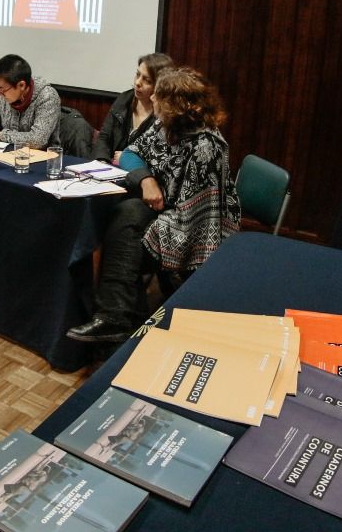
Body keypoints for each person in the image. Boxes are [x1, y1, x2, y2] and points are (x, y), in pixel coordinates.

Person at [66, 67, 241, 343]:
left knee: (126, 230)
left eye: (158, 96)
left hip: (196, 229)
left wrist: (152, 198)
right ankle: (117, 317)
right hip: (165, 209)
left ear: (176, 105)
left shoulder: (206, 147)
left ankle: (118, 318)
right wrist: (146, 180)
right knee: (126, 213)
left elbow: (195, 219)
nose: (152, 100)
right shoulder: (165, 126)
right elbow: (130, 153)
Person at [91, 53, 174, 164]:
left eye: (147, 80)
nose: (137, 82)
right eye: (138, 74)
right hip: (110, 167)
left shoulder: (163, 115)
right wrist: (102, 161)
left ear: (161, 85)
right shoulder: (125, 99)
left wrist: (127, 160)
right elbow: (104, 137)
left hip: (139, 172)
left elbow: (159, 159)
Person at [0, 54, 61, 148]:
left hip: (41, 155)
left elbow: (38, 139)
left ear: (21, 85)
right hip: (7, 151)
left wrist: (3, 135)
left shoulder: (47, 97)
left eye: (1, 89)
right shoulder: (2, 95)